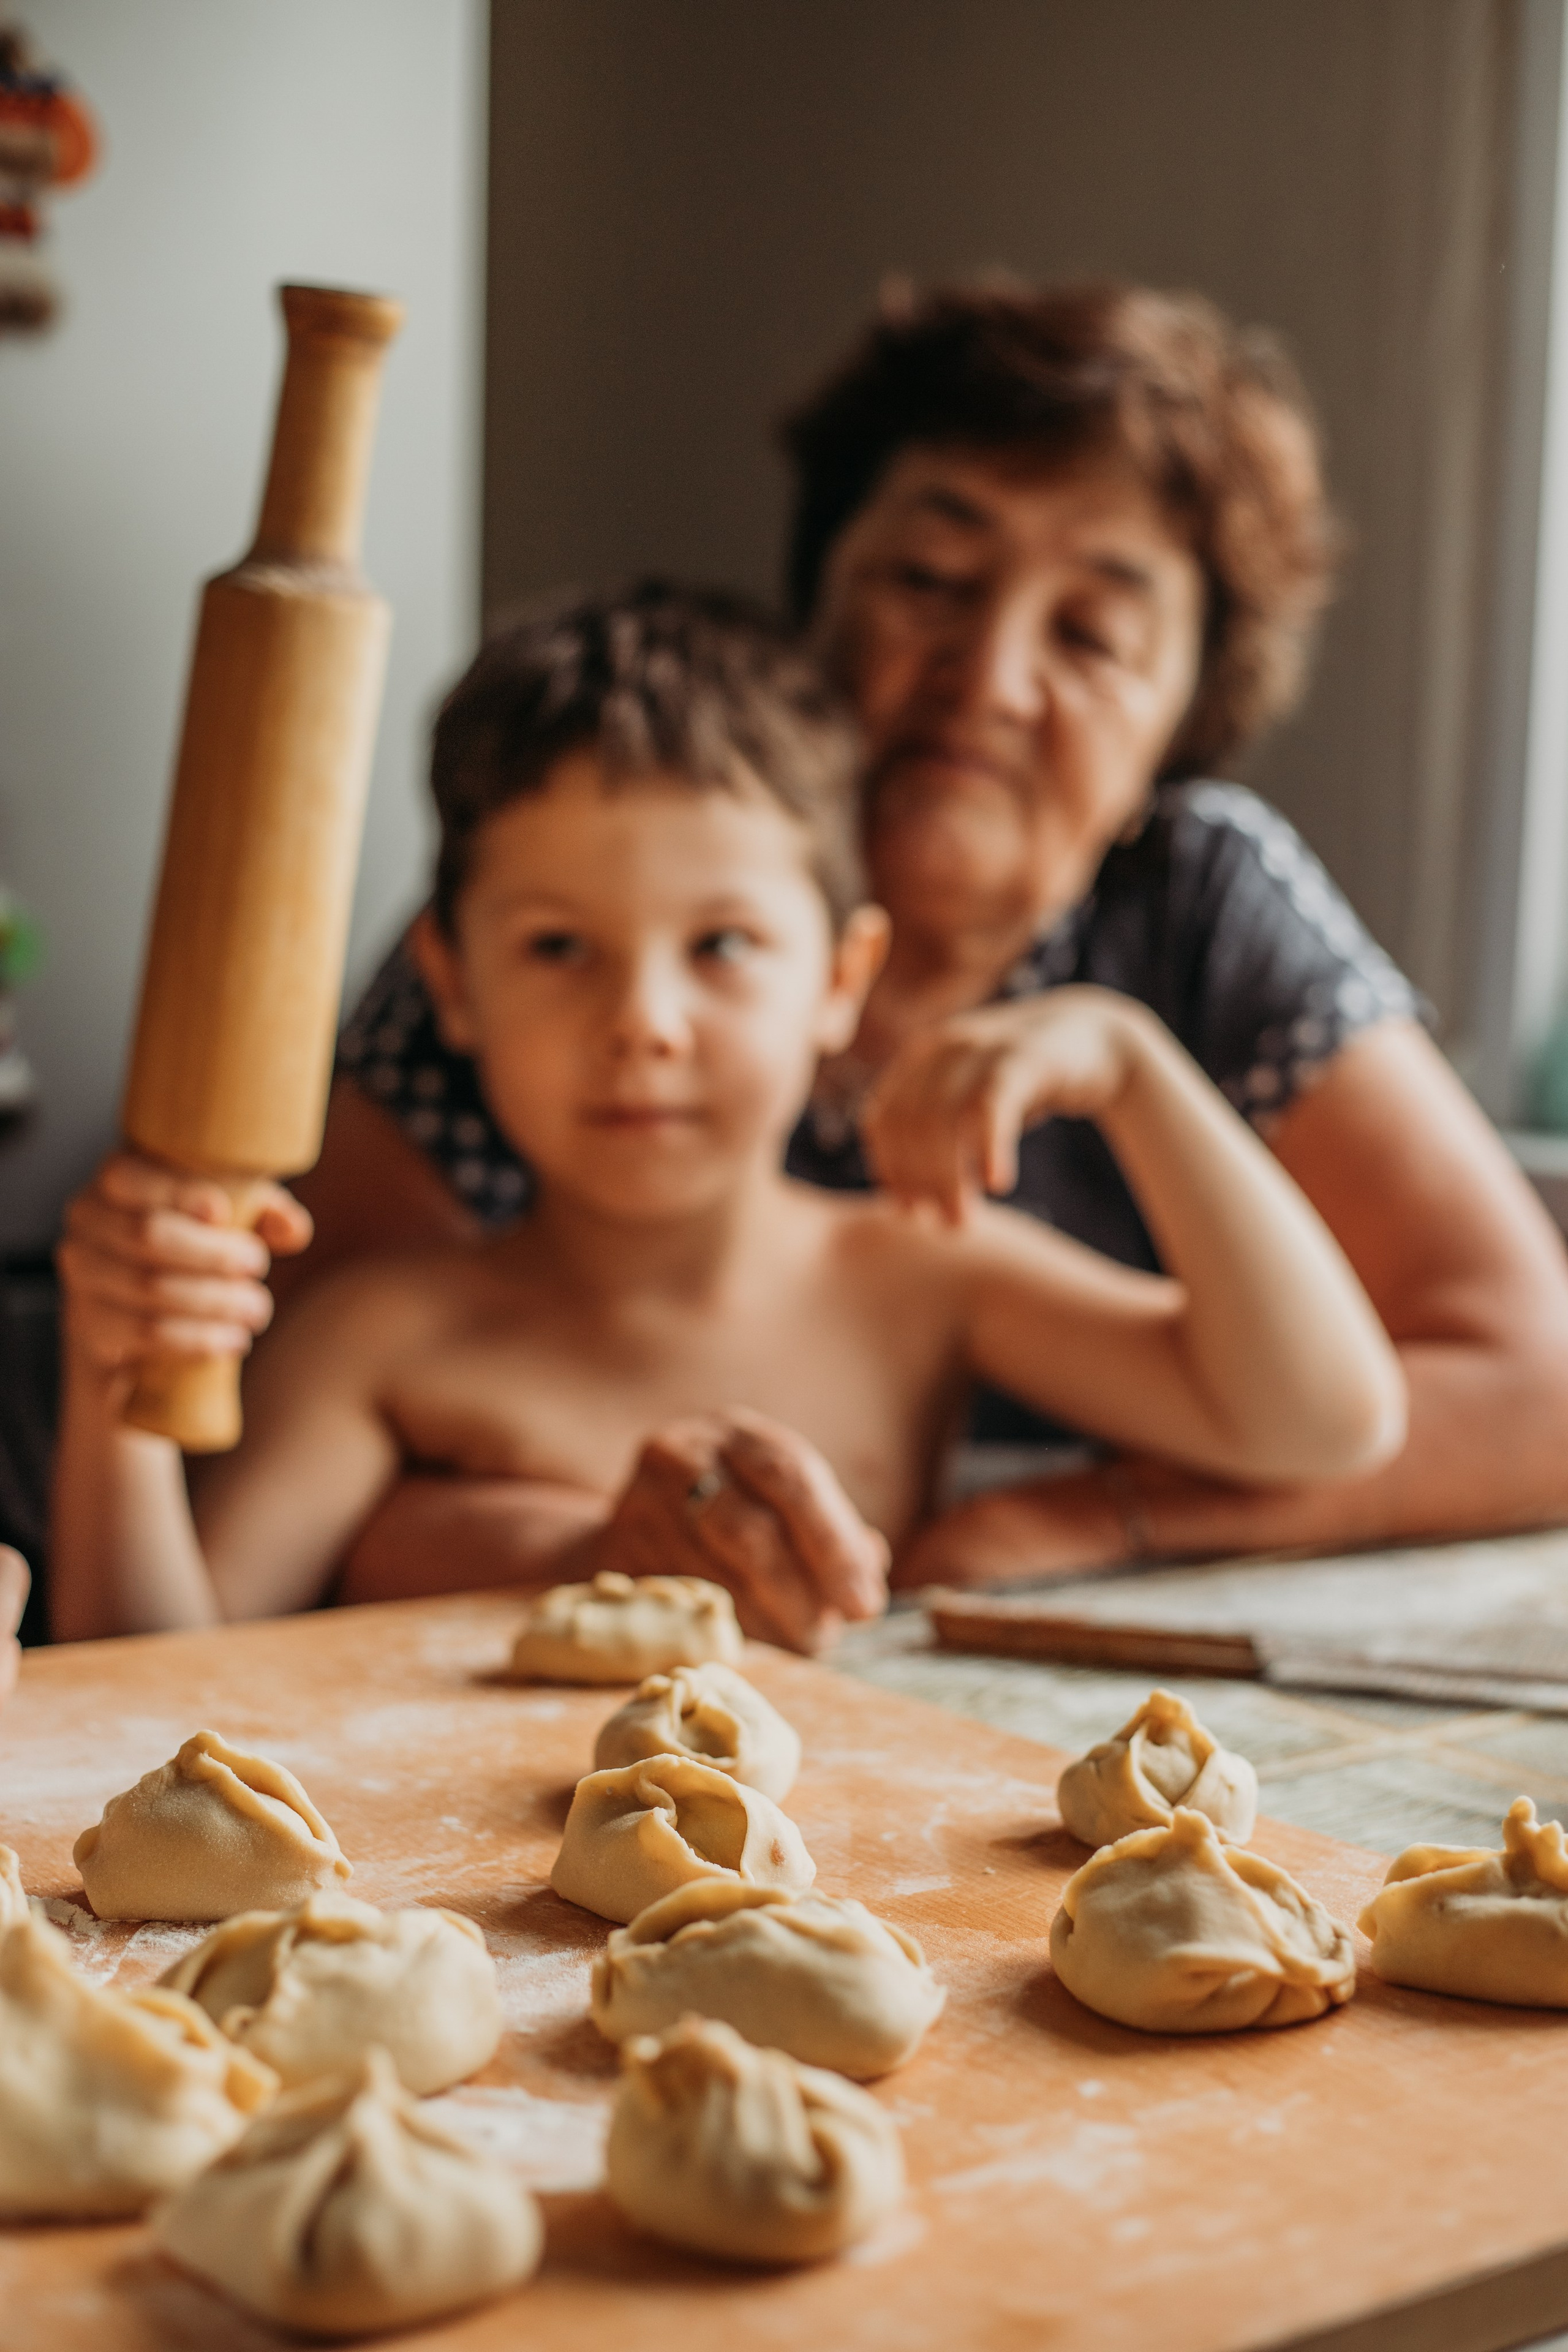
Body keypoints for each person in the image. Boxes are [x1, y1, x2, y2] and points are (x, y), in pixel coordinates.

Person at [281, 282, 1568, 1615]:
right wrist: (607, 1544)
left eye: (1090, 635)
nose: (992, 675)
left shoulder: (1196, 895)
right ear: (817, 598)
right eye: (930, 583)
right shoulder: (581, 876)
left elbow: (1537, 1393)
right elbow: (310, 1459)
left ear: (1185, 714)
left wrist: (1071, 1522)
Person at [50, 587, 1403, 1647]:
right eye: (560, 950)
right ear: (450, 991)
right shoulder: (382, 1339)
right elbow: (163, 1674)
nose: (644, 1021)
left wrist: (1131, 1064)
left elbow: (1316, 1420)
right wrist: (114, 1383)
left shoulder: (921, 1269)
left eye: (722, 947)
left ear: (842, 982)